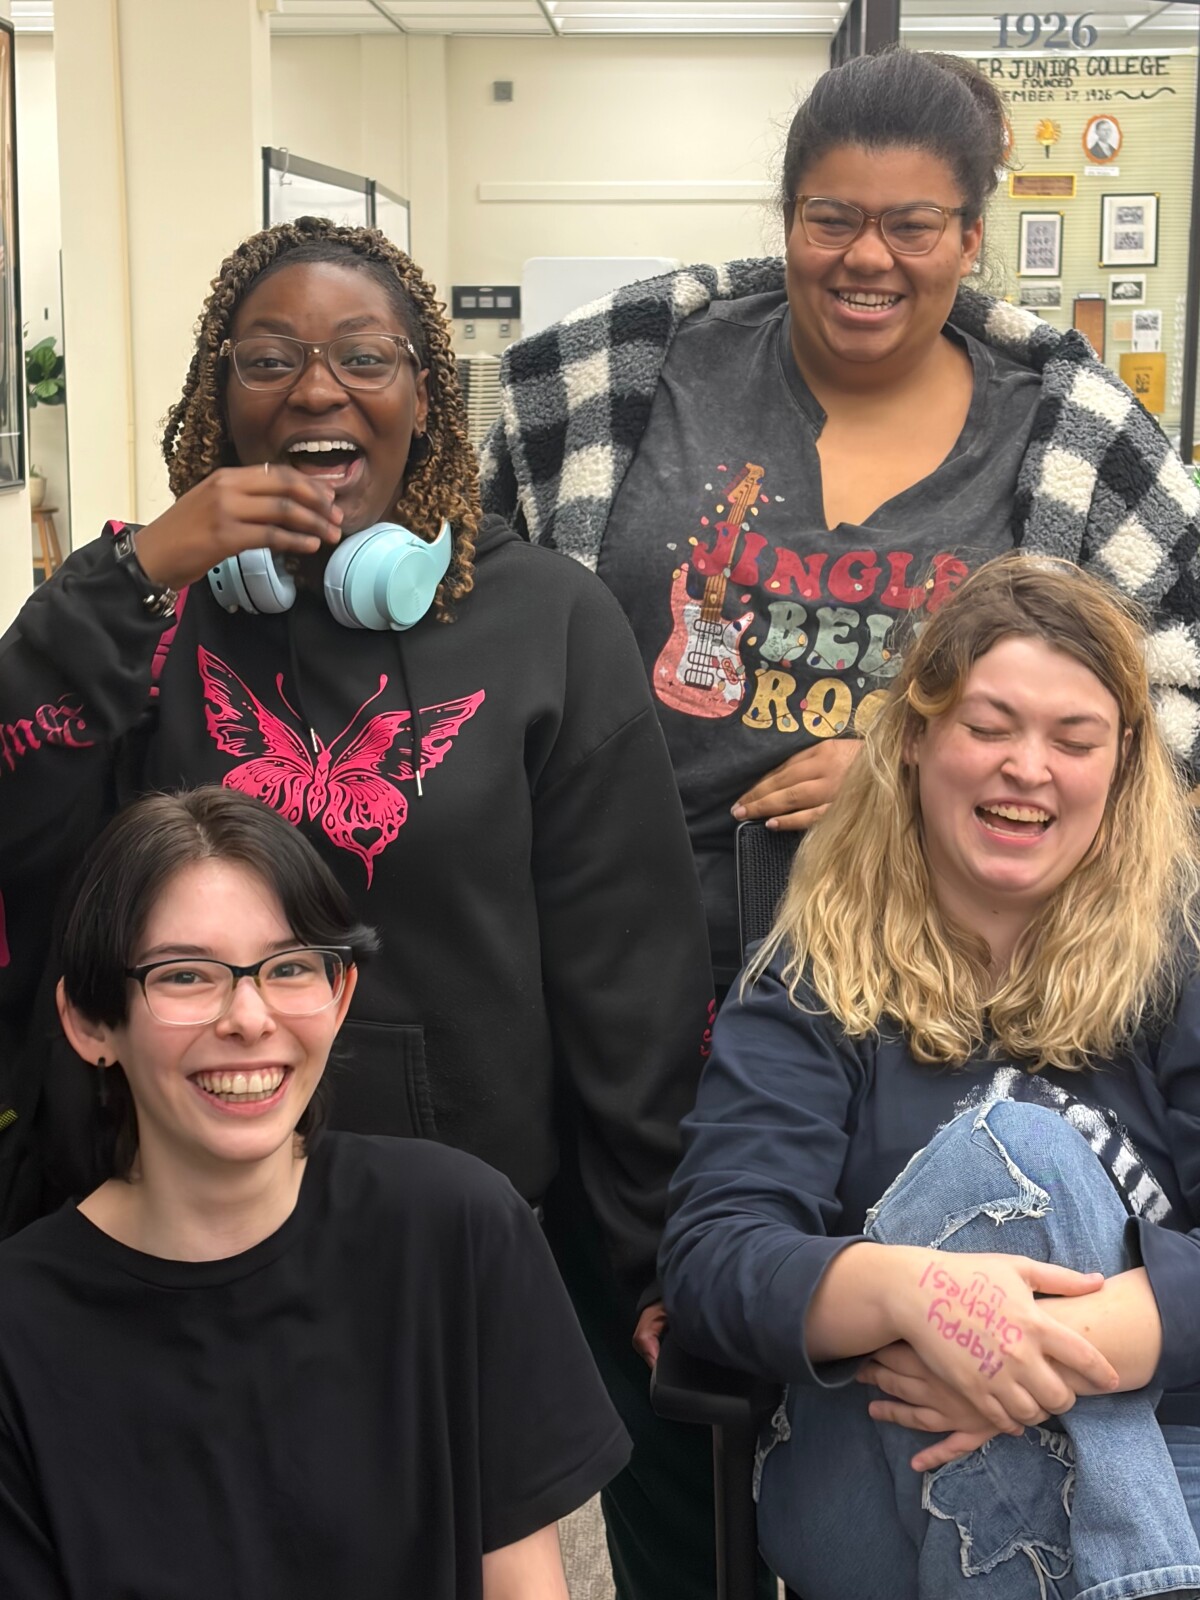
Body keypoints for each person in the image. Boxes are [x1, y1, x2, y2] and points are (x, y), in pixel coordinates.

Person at [0, 218, 711, 1594]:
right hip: (186, 1231)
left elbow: (630, 975)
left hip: (458, 1245)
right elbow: (20, 823)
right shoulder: (153, 620)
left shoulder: (547, 623)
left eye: (364, 358)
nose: (318, 387)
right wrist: (137, 571)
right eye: (269, 358)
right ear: (217, 399)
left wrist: (650, 1254)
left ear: (425, 397)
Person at [480, 48, 1200, 995]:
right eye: (832, 218)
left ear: (969, 239)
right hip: (616, 945)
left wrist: (923, 776)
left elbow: (1171, 709)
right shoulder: (616, 385)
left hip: (937, 968)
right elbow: (479, 609)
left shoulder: (1074, 442)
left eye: (913, 225)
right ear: (789, 221)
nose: (867, 255)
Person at [658, 554, 1200, 1598]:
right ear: (912, 738)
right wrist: (921, 1296)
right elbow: (715, 1258)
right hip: (879, 1454)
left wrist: (1042, 1342)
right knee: (1015, 1157)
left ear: (1123, 765)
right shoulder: (814, 980)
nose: (1028, 768)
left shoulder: (1177, 967)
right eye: (989, 727)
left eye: (1073, 739)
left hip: (1160, 1445)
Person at [0, 786, 630, 1599]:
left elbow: (522, 1584)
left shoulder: (458, 1231)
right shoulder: (20, 1331)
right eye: (185, 975)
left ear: (341, 996)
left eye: (291, 968)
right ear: (91, 1023)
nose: (249, 1016)